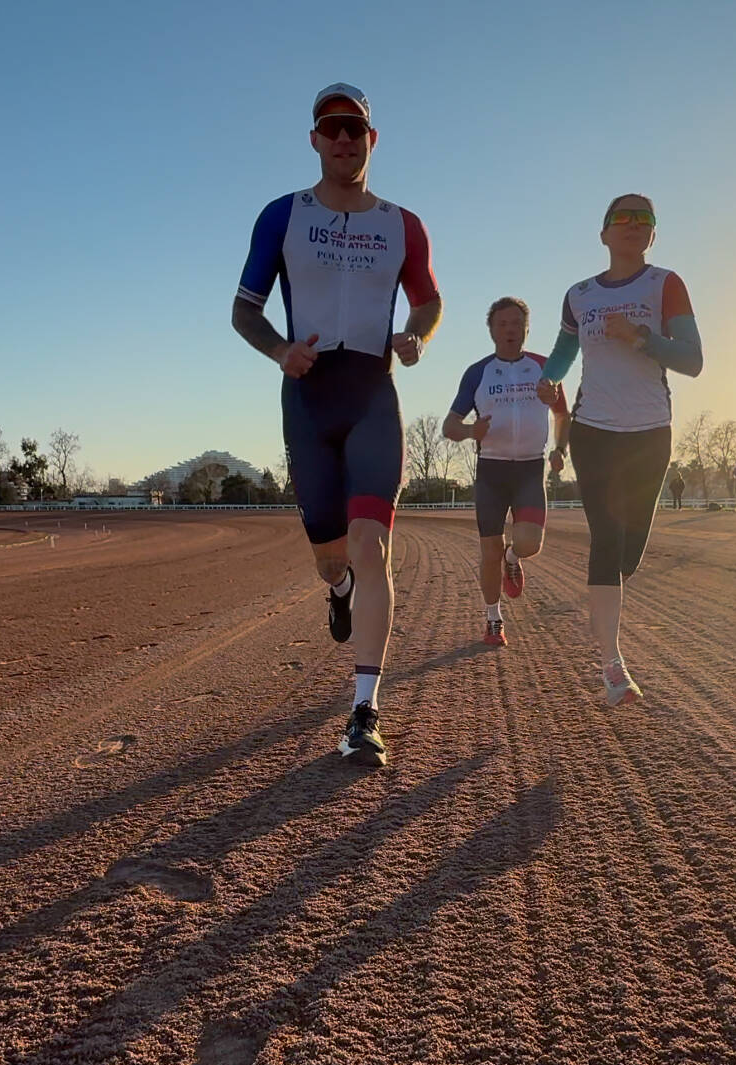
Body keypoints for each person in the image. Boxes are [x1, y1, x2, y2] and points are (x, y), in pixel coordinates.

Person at [232, 83, 442, 766]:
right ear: (316, 140)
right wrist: (278, 350)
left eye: (356, 129)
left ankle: (364, 711)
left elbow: (429, 301)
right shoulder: (280, 217)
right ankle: (340, 589)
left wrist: (417, 335)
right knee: (333, 559)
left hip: (374, 396)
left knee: (371, 544)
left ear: (372, 140)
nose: (345, 140)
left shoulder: (402, 224)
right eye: (332, 129)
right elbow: (244, 310)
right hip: (309, 397)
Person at [536, 194, 702, 705]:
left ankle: (610, 620)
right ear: (604, 233)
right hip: (593, 431)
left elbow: (693, 360)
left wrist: (641, 337)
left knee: (628, 552)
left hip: (650, 432)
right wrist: (548, 381)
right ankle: (613, 665)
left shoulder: (665, 284)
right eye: (622, 219)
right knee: (606, 539)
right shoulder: (578, 295)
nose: (633, 225)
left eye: (644, 219)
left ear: (653, 235)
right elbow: (565, 352)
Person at [443, 298, 567, 647]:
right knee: (488, 551)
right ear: (491, 330)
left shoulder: (545, 368)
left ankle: (514, 559)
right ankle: (493, 619)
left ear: (527, 329)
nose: (510, 330)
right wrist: (470, 432)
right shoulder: (477, 372)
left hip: (530, 468)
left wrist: (560, 449)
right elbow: (449, 426)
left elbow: (562, 415)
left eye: (516, 323)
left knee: (529, 543)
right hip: (491, 472)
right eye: (502, 324)